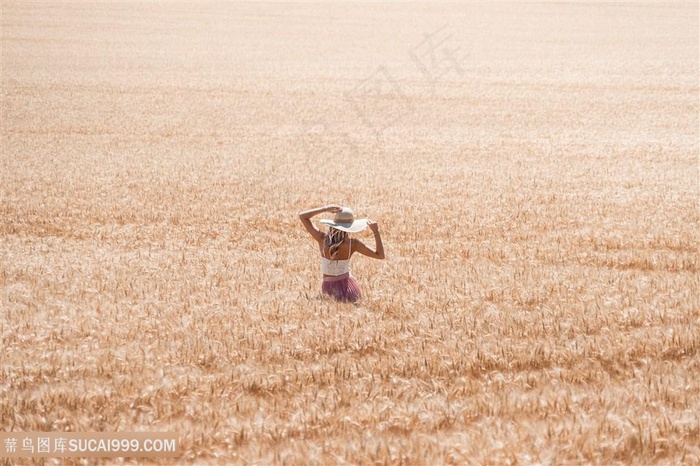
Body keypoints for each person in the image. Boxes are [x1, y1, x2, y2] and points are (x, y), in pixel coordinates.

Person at [299, 205, 385, 303]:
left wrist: (326, 208)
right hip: (349, 286)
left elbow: (303, 216)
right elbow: (380, 255)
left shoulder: (322, 239)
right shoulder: (353, 244)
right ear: (350, 227)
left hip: (328, 287)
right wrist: (376, 231)